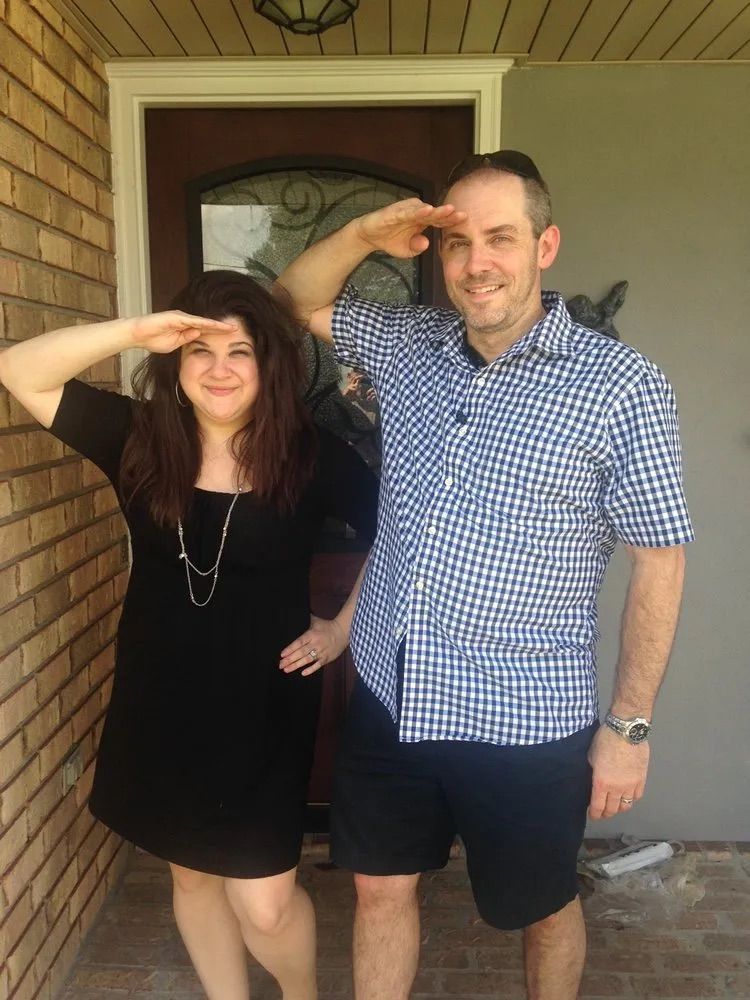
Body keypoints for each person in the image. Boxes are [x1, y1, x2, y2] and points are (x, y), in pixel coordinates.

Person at [275, 150, 693, 1000]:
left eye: (501, 237)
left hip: (525, 715)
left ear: (545, 247)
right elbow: (294, 301)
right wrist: (365, 233)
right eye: (458, 242)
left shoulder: (622, 387)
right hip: (394, 692)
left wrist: (628, 728)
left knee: (541, 906)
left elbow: (660, 557)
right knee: (378, 888)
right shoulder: (409, 345)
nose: (477, 263)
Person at [0, 269, 377, 1000]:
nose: (219, 369)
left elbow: (400, 533)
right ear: (175, 362)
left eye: (240, 351)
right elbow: (19, 369)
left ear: (269, 364)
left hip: (265, 707)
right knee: (193, 875)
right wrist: (136, 332)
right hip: (162, 697)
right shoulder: (139, 438)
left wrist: (342, 629)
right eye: (201, 351)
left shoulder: (310, 454)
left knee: (265, 905)